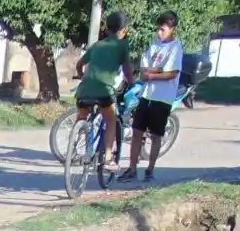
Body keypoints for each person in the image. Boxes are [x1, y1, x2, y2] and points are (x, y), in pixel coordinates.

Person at [119, 11, 184, 183]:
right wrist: (157, 70)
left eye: (163, 30)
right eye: (158, 29)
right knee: (137, 133)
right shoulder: (154, 46)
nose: (159, 33)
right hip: (146, 95)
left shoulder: (175, 48)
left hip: (162, 98)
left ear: (172, 29)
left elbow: (172, 73)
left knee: (156, 135)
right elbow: (144, 69)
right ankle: (131, 169)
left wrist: (154, 74)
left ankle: (150, 169)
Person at [74, 11, 134, 167]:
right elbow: (127, 71)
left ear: (107, 29)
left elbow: (79, 64)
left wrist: (82, 76)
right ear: (124, 29)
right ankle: (108, 158)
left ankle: (75, 146)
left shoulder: (97, 45)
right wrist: (133, 83)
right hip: (104, 91)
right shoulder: (122, 45)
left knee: (82, 117)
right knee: (111, 120)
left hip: (83, 91)